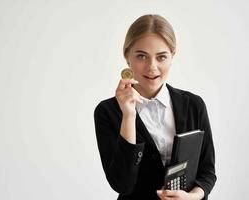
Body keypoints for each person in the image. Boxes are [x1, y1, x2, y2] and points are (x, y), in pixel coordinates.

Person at [93, 14, 216, 200]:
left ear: (172, 56)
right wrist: (128, 116)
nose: (152, 67)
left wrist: (192, 197)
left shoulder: (193, 105)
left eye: (161, 57)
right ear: (127, 56)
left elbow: (207, 172)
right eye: (142, 56)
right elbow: (122, 184)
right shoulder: (107, 112)